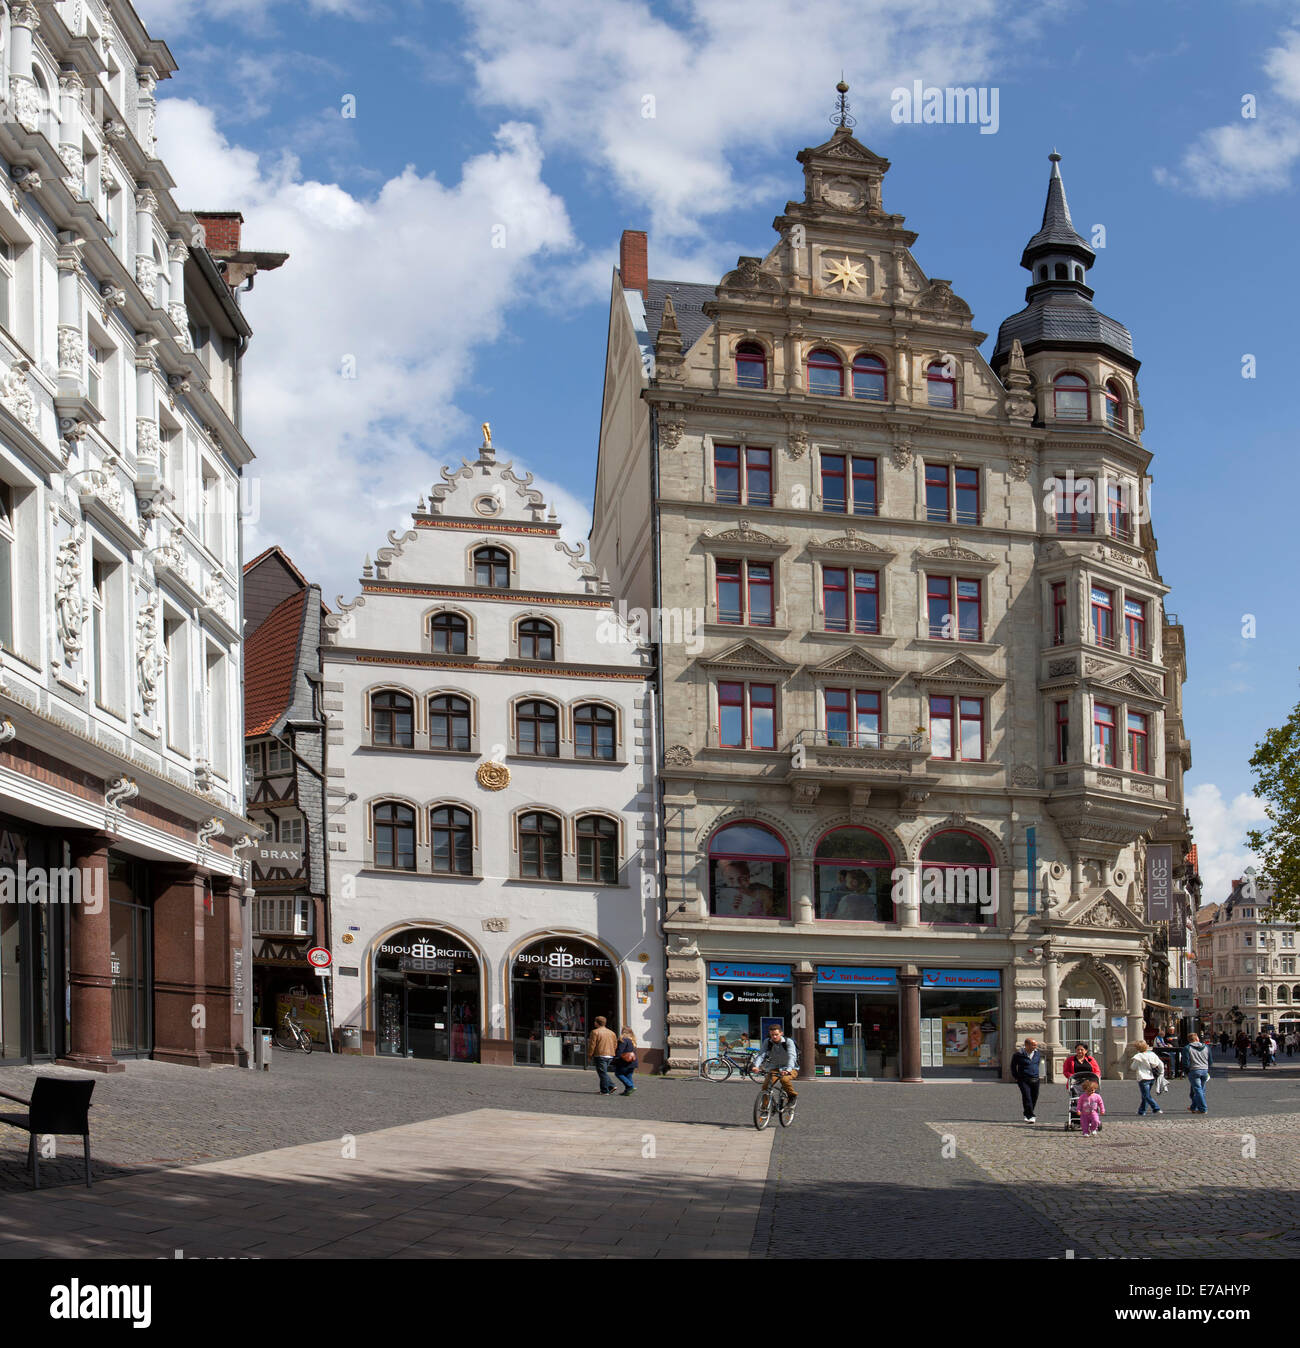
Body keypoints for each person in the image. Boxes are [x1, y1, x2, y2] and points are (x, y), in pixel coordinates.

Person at [753, 1024, 799, 1101]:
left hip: (790, 1068)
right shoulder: (767, 1042)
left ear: (781, 1033)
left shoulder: (788, 1042)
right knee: (766, 1087)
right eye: (772, 1035)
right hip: (773, 1068)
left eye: (776, 1034)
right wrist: (756, 1066)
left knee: (784, 1080)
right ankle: (765, 1109)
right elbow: (761, 1055)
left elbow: (792, 1056)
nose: (774, 1037)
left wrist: (788, 1070)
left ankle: (792, 1096)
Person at [1129, 1039, 1165, 1115]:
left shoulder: (1138, 1056)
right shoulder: (1152, 1054)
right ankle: (1142, 1111)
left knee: (1146, 1095)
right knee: (1145, 1095)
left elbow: (1133, 1067)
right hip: (1151, 1077)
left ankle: (1156, 1108)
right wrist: (1161, 1073)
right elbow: (1160, 1064)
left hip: (1143, 1077)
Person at [1010, 1038, 1041, 1122]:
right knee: (1027, 1097)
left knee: (1034, 1097)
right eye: (1033, 1045)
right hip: (1023, 1079)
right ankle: (1030, 1115)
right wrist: (1016, 1077)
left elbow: (1037, 1064)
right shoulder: (1018, 1054)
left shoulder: (1037, 1053)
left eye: (1035, 1045)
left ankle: (1028, 1112)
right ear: (1027, 1045)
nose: (1035, 1046)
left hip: (1035, 1078)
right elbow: (1013, 1067)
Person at [587, 1015, 619, 1096]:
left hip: (600, 1054)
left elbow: (592, 1045)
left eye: (595, 1021)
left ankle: (608, 1088)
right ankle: (603, 1089)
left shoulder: (595, 1032)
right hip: (610, 1055)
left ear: (597, 1023)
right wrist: (613, 1052)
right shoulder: (612, 1033)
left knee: (602, 1073)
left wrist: (589, 1055)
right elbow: (615, 1044)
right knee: (602, 1072)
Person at [1181, 1033, 1212, 1114]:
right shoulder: (1206, 1047)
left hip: (1194, 1070)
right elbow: (1210, 1061)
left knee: (1198, 1090)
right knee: (1200, 1090)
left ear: (1189, 1040)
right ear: (1197, 1039)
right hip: (1205, 1070)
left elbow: (1185, 1062)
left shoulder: (1187, 1048)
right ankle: (1193, 1107)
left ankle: (1203, 1109)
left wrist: (1187, 1071)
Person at [612, 1026, 639, 1095]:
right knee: (628, 1075)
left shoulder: (623, 1040)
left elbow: (620, 1051)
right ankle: (628, 1091)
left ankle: (630, 1086)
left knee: (618, 1073)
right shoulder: (633, 1040)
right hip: (633, 1062)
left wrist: (615, 1059)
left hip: (625, 1062)